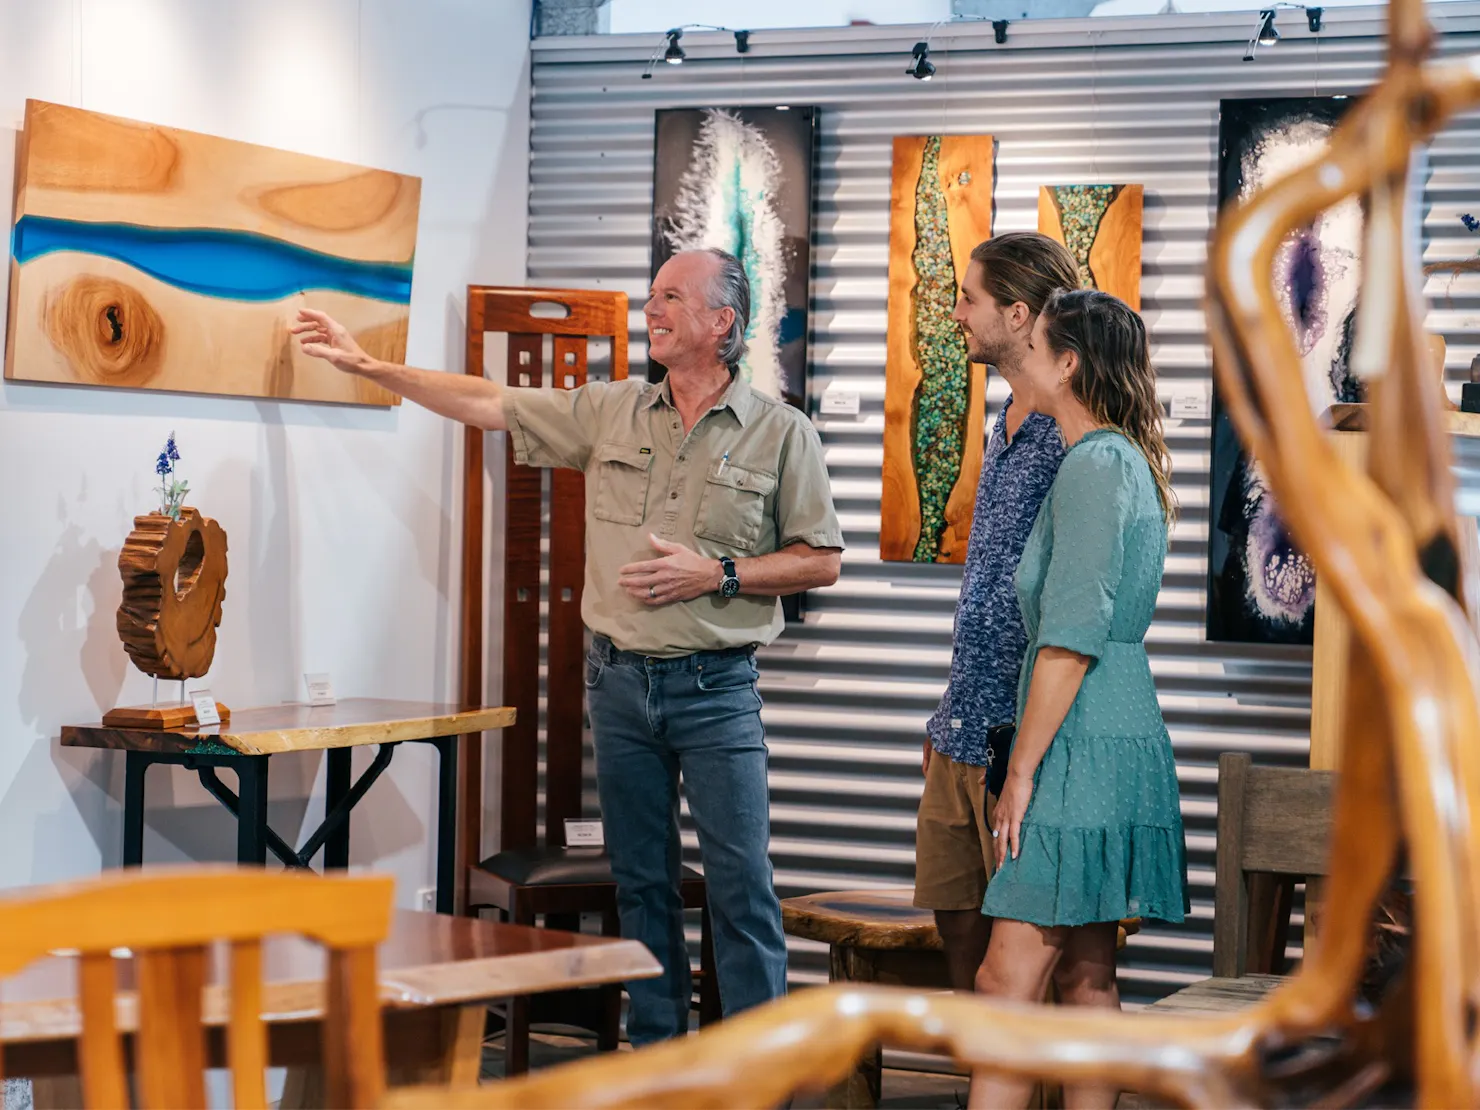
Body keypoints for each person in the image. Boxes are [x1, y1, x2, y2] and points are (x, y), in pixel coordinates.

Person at [290, 248, 844, 1045]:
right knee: (641, 885)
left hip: (716, 689)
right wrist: (369, 364)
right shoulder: (611, 410)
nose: (650, 308)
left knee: (741, 889)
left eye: (671, 297)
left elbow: (818, 559)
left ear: (721, 322)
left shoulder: (780, 433)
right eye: (651, 294)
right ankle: (656, 1059)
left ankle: (759, 1073)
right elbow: (488, 401)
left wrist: (716, 573)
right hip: (617, 687)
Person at [968, 288, 1189, 1110]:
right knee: (1088, 980)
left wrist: (1021, 770)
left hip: (1079, 735)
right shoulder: (1123, 460)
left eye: (1039, 347)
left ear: (1068, 363)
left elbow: (1071, 634)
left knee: (1004, 984)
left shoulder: (1096, 464)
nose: (1020, 356)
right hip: (1113, 725)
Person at [915, 232, 1079, 992]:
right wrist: (947, 718)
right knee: (959, 932)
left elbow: (1078, 608)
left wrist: (1029, 756)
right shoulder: (1002, 419)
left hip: (1027, 741)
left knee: (1040, 960)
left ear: (1018, 315)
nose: (956, 313)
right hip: (962, 731)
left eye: (969, 298)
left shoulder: (1077, 433)